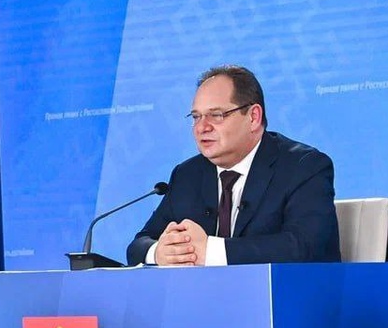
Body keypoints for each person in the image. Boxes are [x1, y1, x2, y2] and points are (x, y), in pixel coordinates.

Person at [127, 66, 340, 266]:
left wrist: (210, 251)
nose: (202, 127)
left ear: (253, 117)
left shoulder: (304, 167)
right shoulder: (187, 175)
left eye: (216, 115)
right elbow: (138, 245)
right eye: (196, 117)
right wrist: (159, 252)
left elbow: (304, 247)